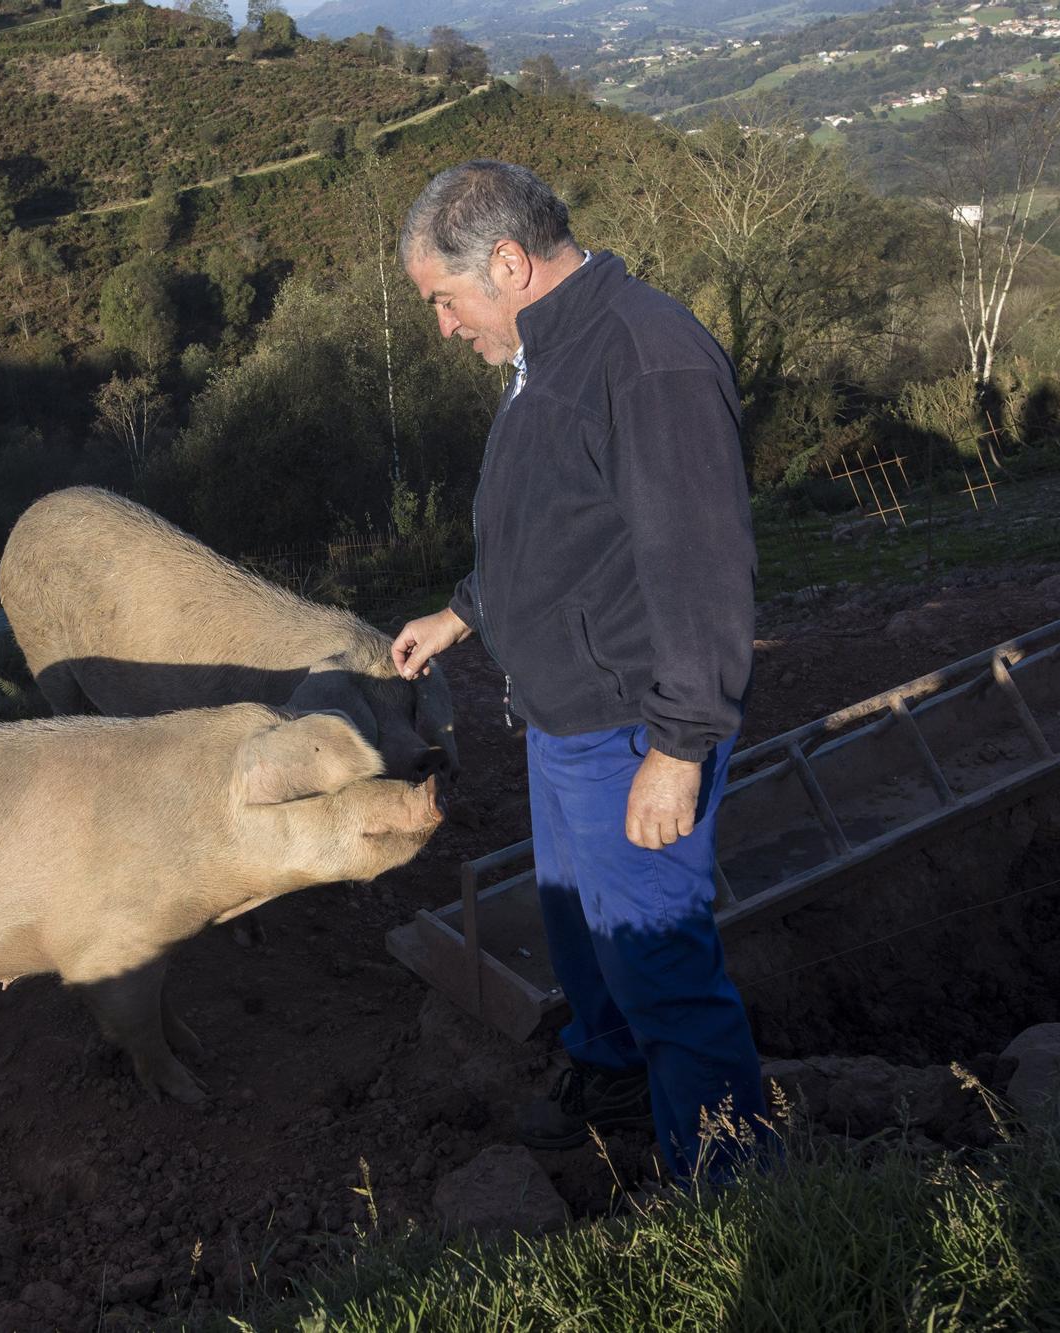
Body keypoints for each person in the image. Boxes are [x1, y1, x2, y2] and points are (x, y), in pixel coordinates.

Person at [389, 160, 772, 1181]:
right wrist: (464, 611)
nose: (441, 326)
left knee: (657, 959)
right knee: (579, 931)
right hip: (565, 718)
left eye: (443, 299)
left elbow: (699, 568)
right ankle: (611, 1084)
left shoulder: (644, 358)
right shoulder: (549, 348)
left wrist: (679, 747)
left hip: (631, 724)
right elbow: (557, 519)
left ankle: (740, 1192)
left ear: (506, 264)